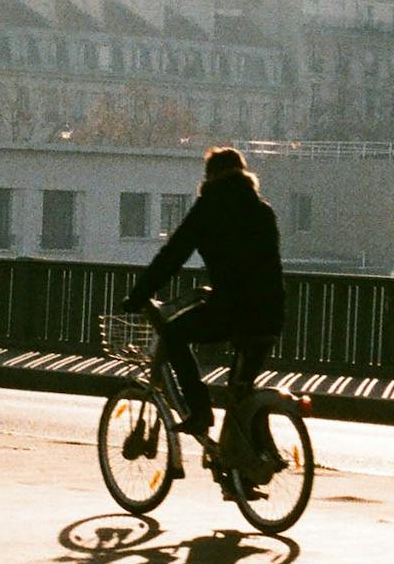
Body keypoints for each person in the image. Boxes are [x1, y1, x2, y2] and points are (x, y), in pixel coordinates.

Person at [119, 146, 285, 441]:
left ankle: (199, 411)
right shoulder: (263, 210)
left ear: (211, 176)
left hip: (232, 309)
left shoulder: (209, 207)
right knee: (241, 390)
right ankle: (246, 468)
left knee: (173, 336)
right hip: (270, 313)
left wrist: (138, 294)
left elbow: (172, 256)